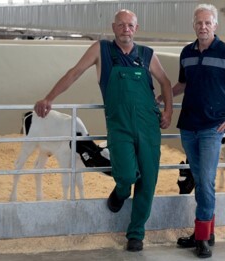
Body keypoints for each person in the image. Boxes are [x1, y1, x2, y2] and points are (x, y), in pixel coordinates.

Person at [34, 9, 173, 252]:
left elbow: (166, 82)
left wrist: (168, 111)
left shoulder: (147, 54)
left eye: (130, 25)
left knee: (148, 181)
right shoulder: (101, 50)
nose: (125, 29)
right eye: (121, 25)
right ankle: (120, 192)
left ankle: (136, 233)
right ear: (113, 27)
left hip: (149, 126)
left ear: (136, 29)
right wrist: (49, 98)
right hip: (119, 127)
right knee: (128, 175)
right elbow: (74, 72)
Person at [157, 3, 225, 258]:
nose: (203, 26)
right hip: (188, 126)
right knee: (201, 180)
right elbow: (183, 83)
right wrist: (163, 97)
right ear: (193, 25)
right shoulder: (187, 52)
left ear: (215, 25)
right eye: (199, 22)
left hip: (213, 127)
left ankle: (201, 237)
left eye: (207, 22)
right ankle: (207, 232)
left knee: (204, 182)